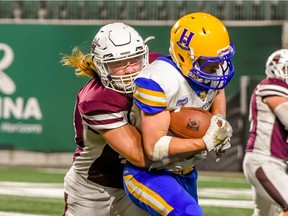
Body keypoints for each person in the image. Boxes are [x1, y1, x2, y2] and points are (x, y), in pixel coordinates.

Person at [123, 12, 235, 215]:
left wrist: (219, 120)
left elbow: (218, 88)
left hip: (187, 171)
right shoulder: (158, 81)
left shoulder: (211, 71)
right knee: (189, 213)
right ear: (184, 55)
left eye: (220, 62)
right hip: (150, 173)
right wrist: (207, 141)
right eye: (210, 63)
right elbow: (154, 147)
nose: (218, 69)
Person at [61, 22, 161, 216]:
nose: (129, 70)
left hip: (139, 180)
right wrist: (195, 145)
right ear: (101, 66)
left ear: (144, 57)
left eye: (133, 61)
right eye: (118, 64)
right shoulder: (97, 99)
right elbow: (139, 156)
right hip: (94, 186)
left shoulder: (158, 68)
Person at [243, 49, 288, 216]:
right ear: (276, 68)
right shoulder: (272, 85)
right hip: (264, 161)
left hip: (273, 162)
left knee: (263, 214)